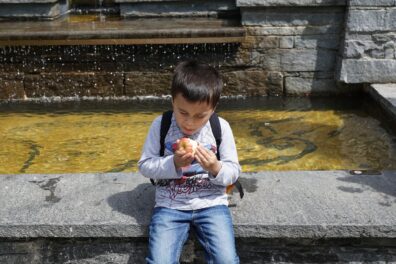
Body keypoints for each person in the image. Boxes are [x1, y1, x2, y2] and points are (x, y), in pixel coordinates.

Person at [138, 60, 240, 264]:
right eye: (182, 112)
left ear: (213, 108)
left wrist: (215, 167)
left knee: (227, 260)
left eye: (200, 116)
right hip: (170, 205)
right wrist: (173, 163)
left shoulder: (220, 127)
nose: (189, 122)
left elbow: (234, 171)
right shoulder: (161, 125)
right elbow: (145, 165)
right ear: (172, 101)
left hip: (212, 203)